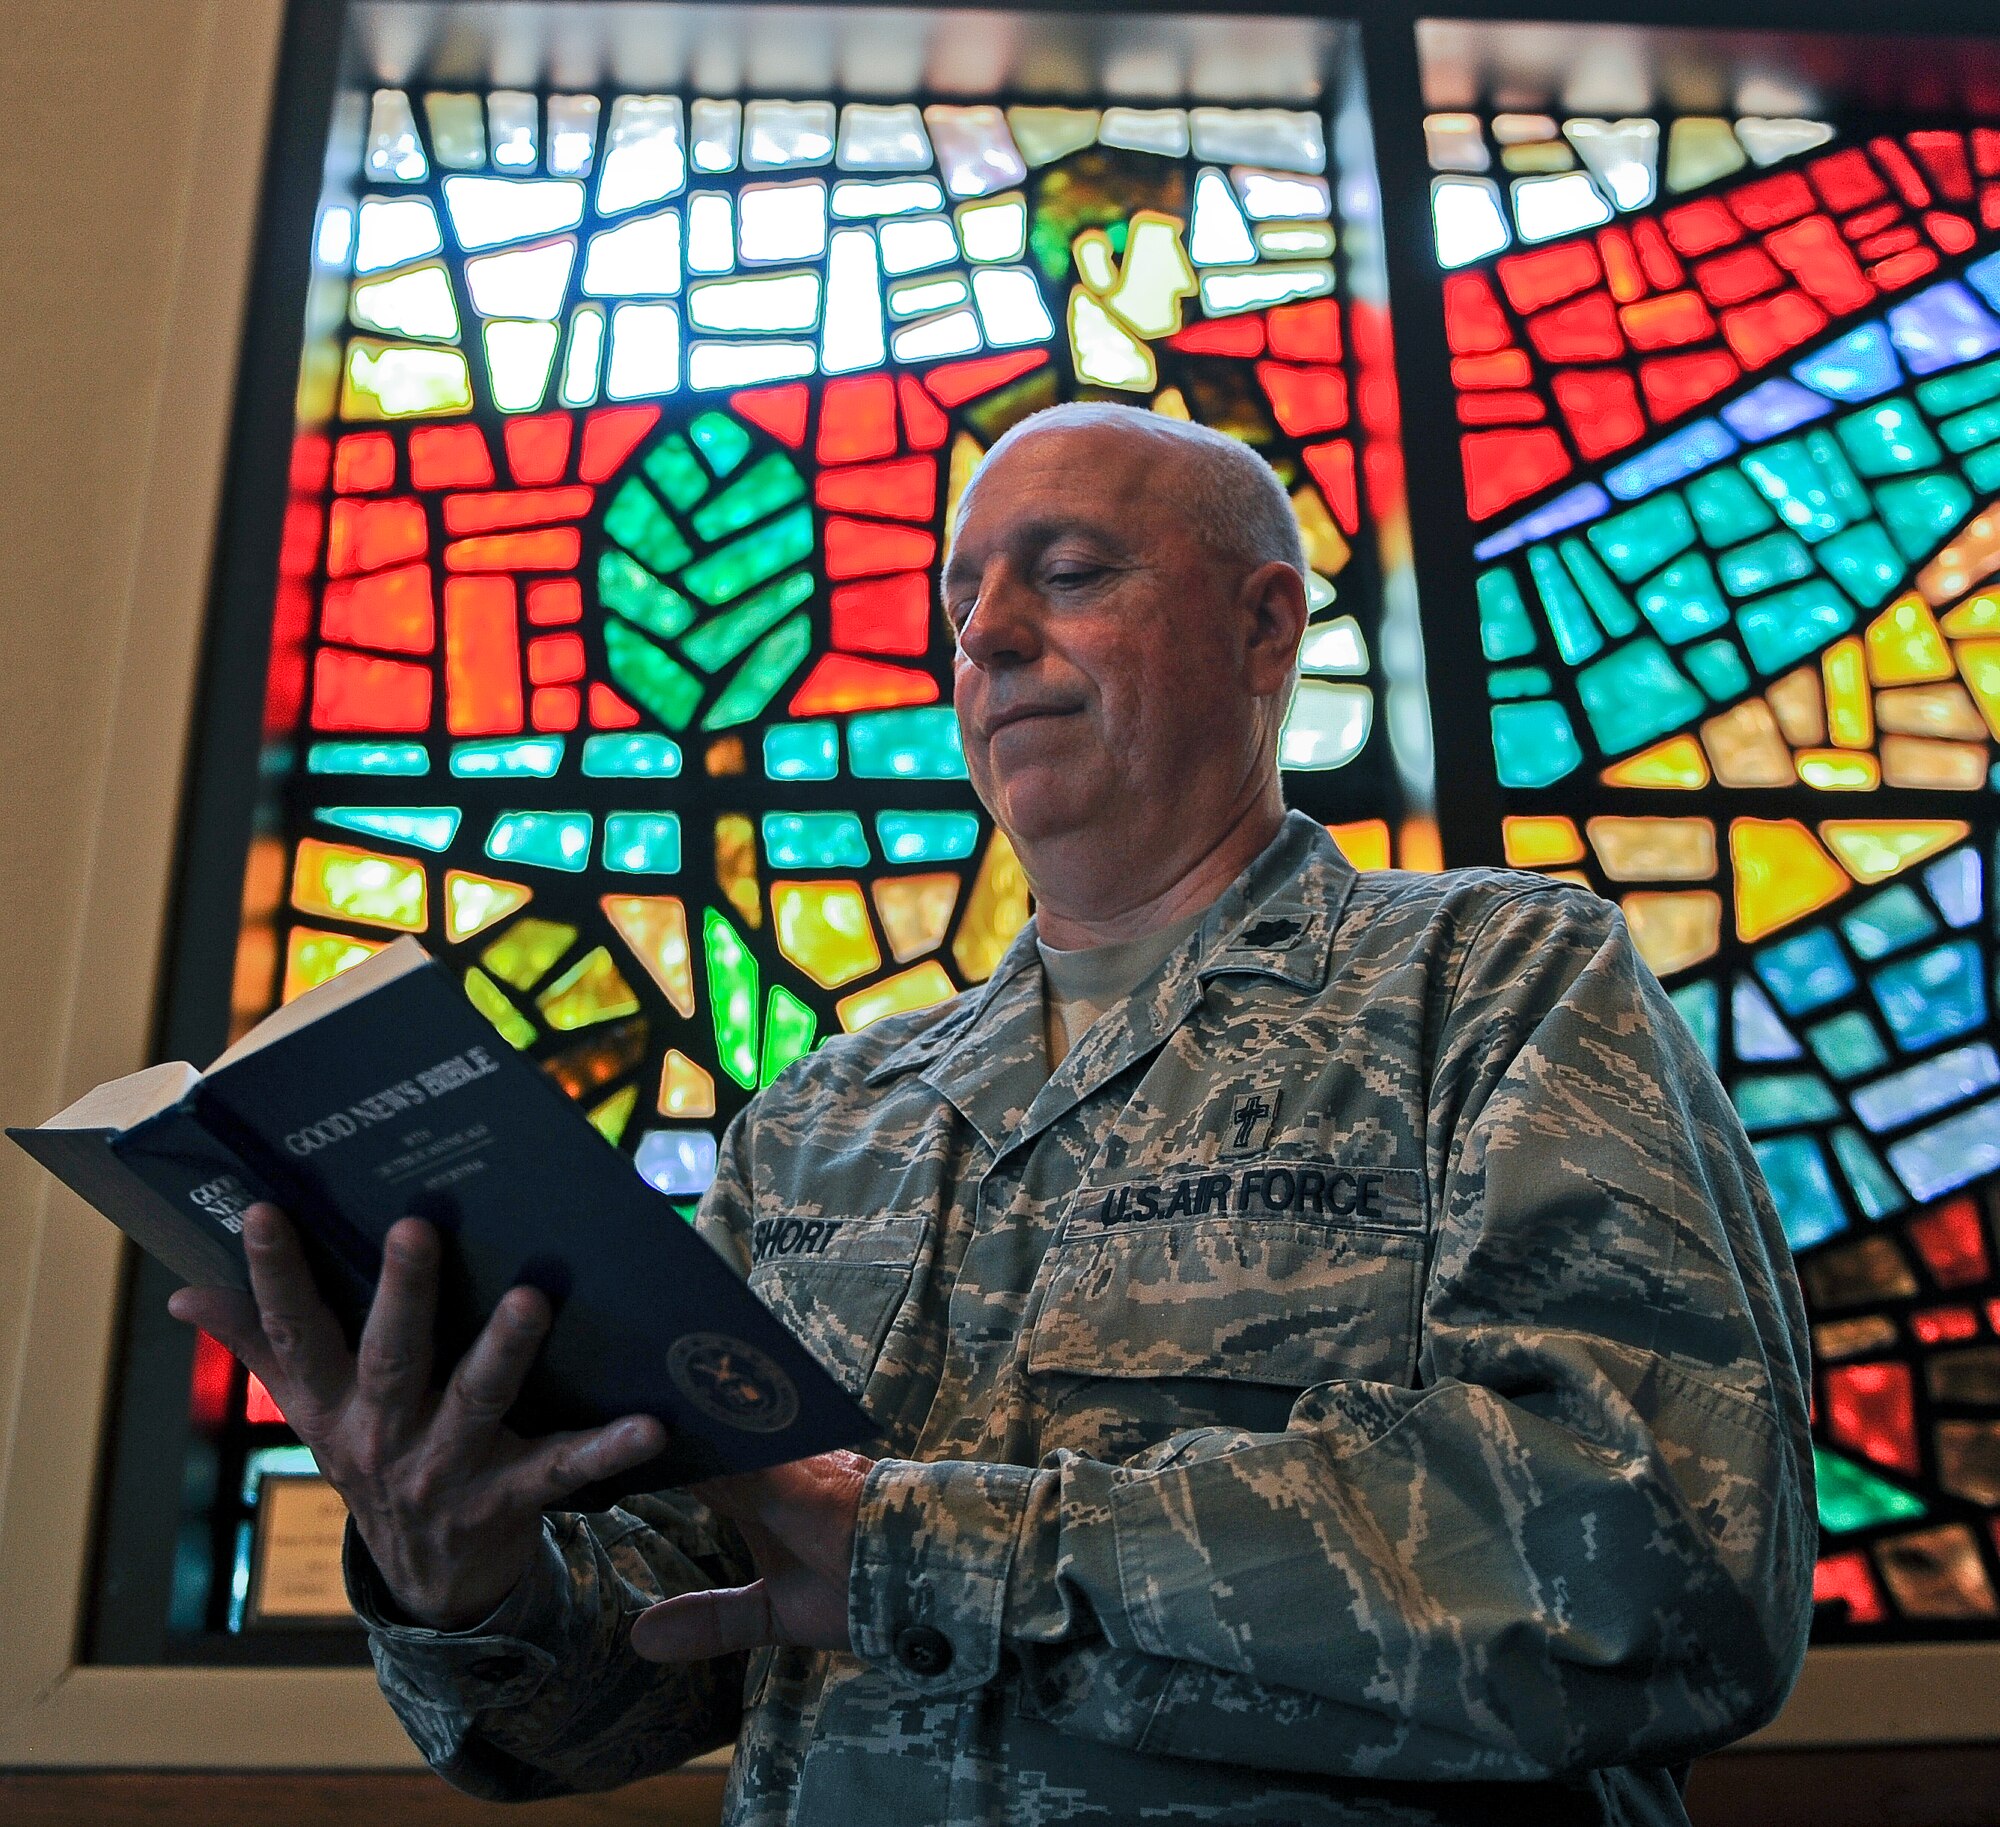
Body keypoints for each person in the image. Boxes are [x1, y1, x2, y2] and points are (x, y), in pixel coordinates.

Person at [174, 404, 1816, 1826]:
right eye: (960, 599)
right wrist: (460, 1576)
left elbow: (1660, 1560)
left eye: (1071, 573)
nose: (987, 635)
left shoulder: (1495, 981)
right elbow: (654, 1663)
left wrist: (922, 1550)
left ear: (1266, 632)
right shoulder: (823, 1120)